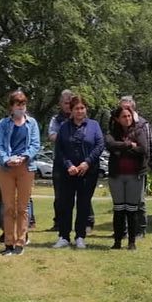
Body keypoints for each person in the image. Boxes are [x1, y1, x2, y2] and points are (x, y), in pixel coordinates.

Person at [52, 94, 104, 249]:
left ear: (86, 109)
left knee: (83, 204)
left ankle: (80, 236)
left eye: (82, 108)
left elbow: (99, 145)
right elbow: (59, 149)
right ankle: (64, 236)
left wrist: (86, 163)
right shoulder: (64, 127)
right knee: (65, 204)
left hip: (88, 172)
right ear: (71, 110)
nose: (80, 111)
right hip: (68, 172)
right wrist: (68, 165)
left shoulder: (94, 125)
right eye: (76, 108)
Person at [0, 90, 40, 256]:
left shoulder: (32, 123)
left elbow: (35, 144)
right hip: (7, 167)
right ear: (11, 107)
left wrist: (24, 157)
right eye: (18, 104)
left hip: (26, 167)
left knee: (22, 207)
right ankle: (8, 243)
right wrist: (7, 159)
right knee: (8, 207)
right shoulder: (3, 124)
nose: (21, 107)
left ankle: (20, 242)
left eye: (23, 104)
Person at [104, 103, 150, 250]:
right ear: (117, 119)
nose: (127, 118)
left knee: (132, 210)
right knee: (118, 209)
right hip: (117, 176)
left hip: (134, 175)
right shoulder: (112, 132)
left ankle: (131, 242)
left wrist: (122, 147)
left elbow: (143, 149)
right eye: (124, 116)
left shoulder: (139, 130)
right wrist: (130, 145)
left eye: (129, 116)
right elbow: (110, 144)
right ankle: (117, 241)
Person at [120, 95, 152, 237]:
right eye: (122, 108)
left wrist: (147, 163)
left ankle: (140, 229)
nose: (125, 111)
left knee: (139, 200)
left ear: (133, 108)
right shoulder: (117, 124)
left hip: (139, 167)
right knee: (123, 200)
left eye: (127, 107)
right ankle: (124, 229)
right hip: (122, 168)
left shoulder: (143, 124)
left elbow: (149, 146)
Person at [47, 90, 73, 231]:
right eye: (65, 103)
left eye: (70, 103)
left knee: (82, 195)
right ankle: (58, 222)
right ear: (60, 104)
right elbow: (52, 136)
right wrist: (67, 135)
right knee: (59, 195)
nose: (68, 106)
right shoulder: (56, 119)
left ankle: (87, 222)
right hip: (60, 161)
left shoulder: (79, 117)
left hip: (77, 161)